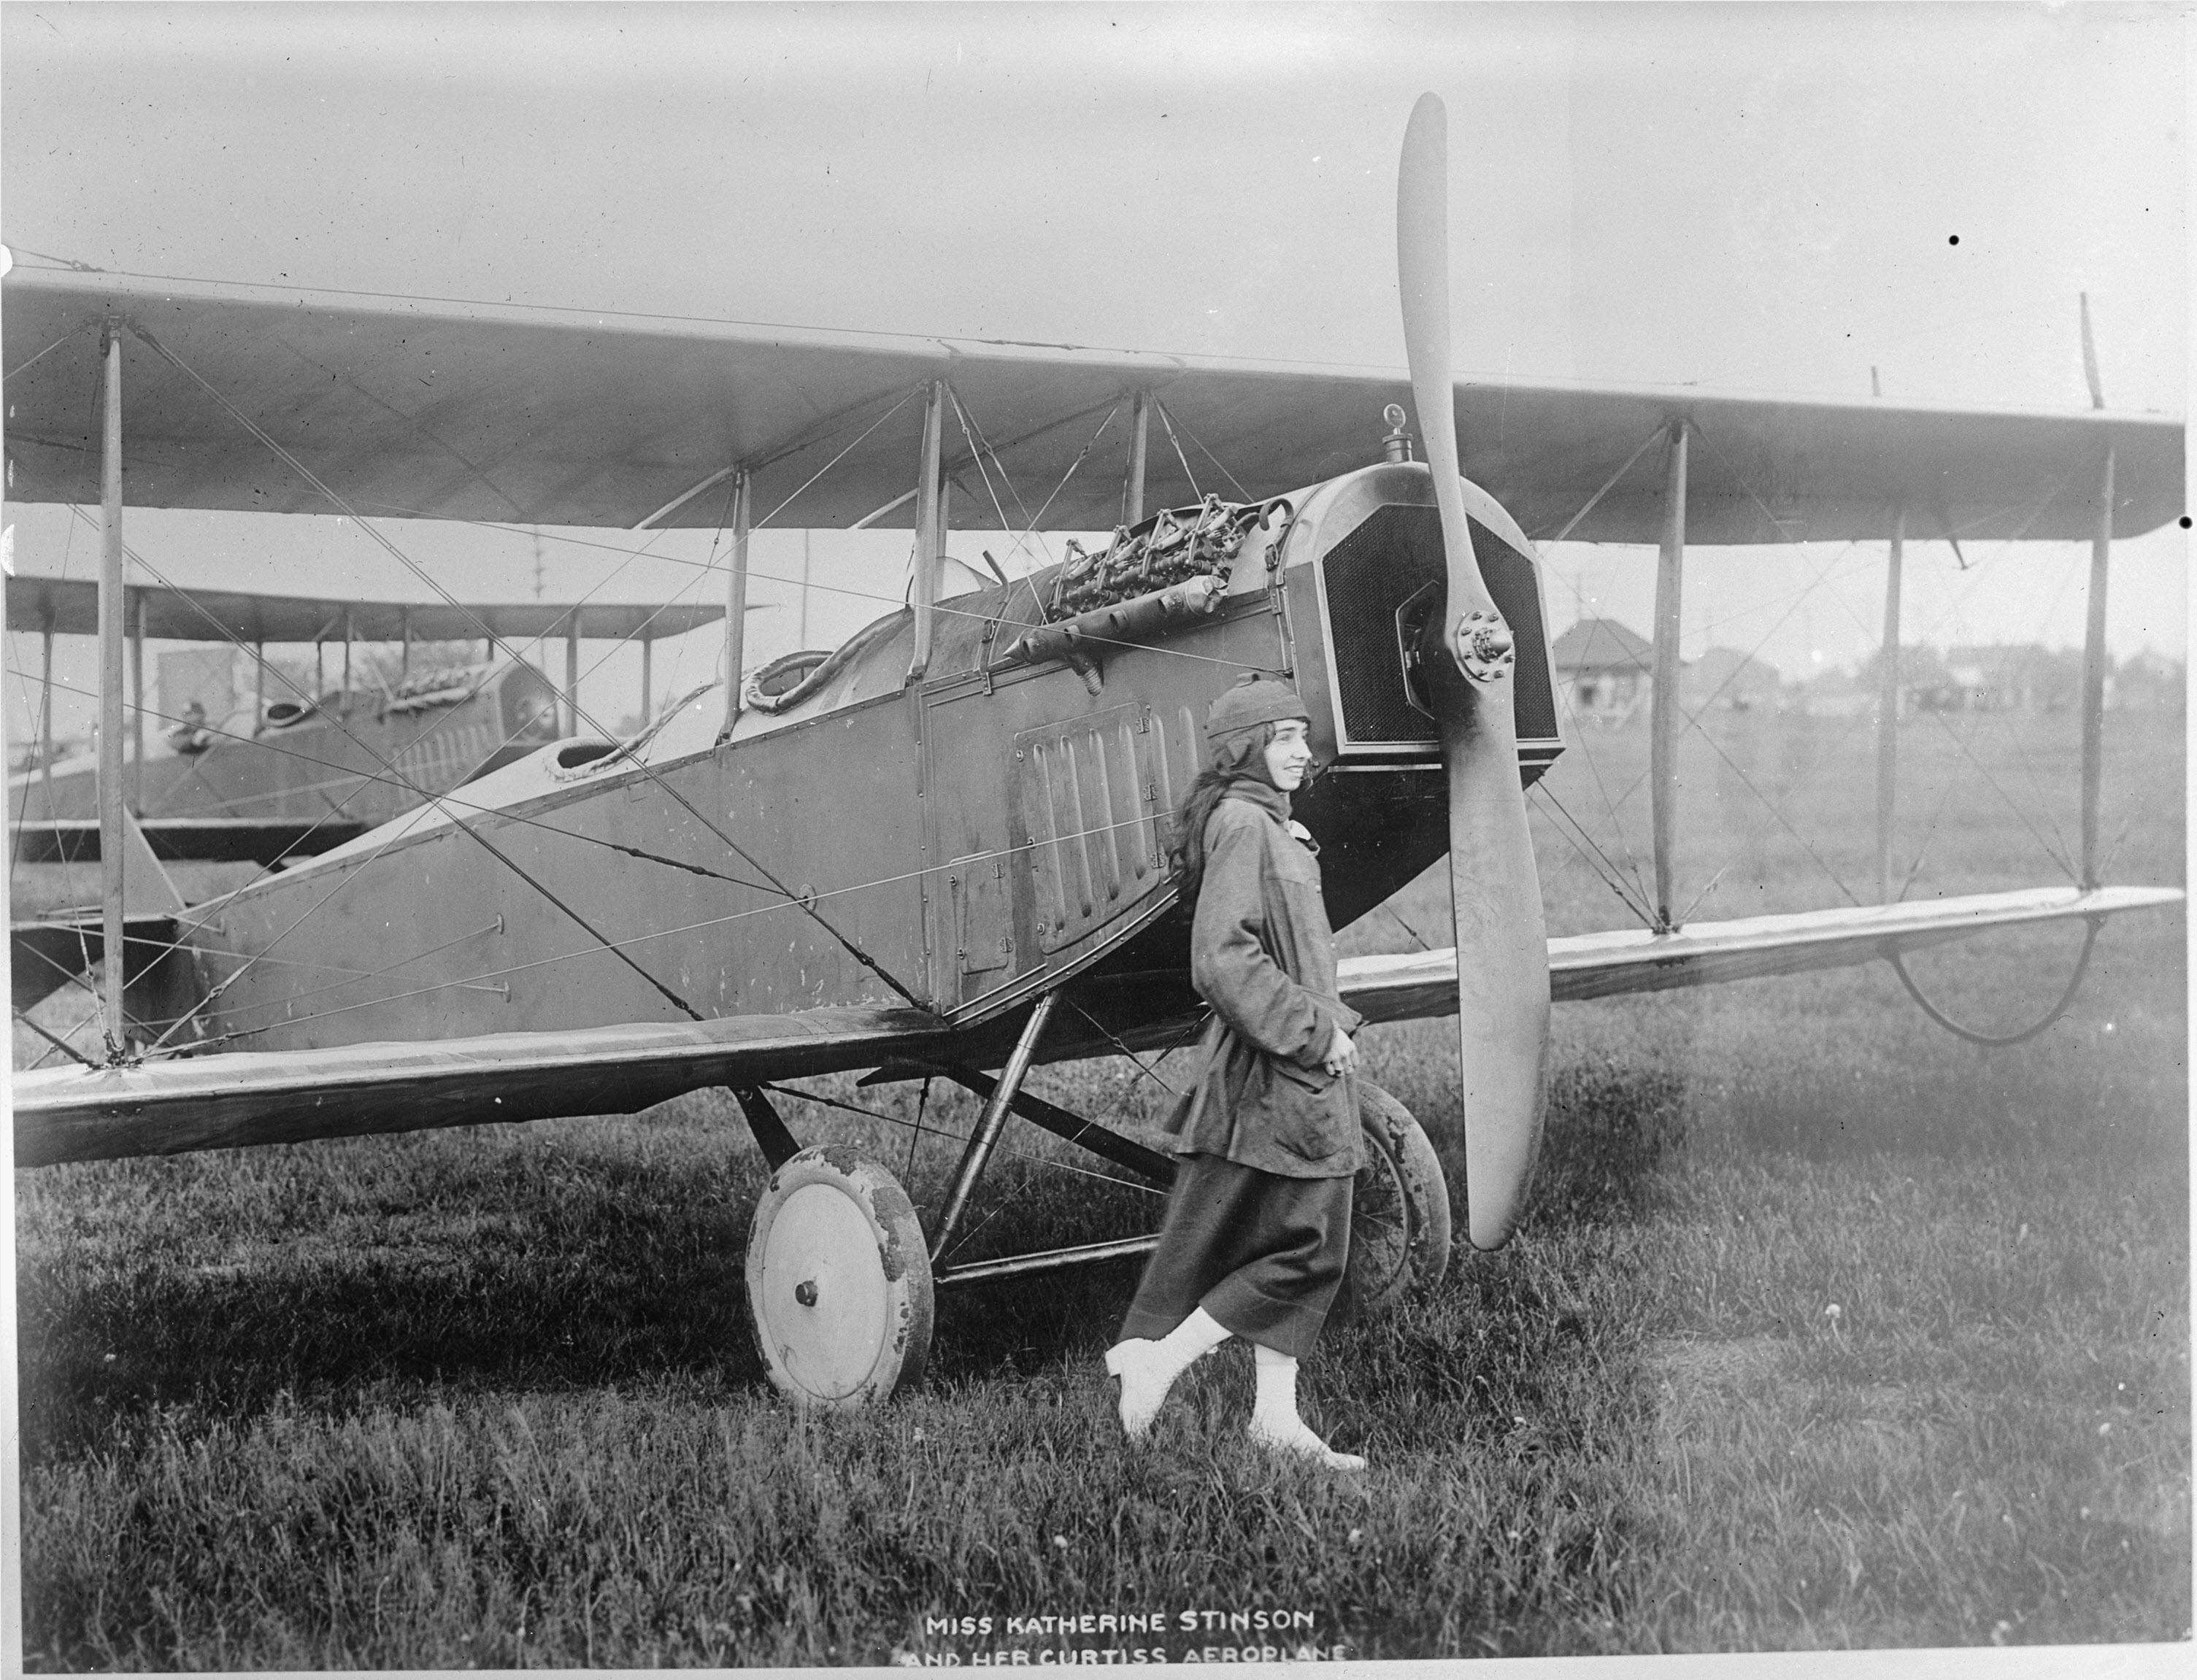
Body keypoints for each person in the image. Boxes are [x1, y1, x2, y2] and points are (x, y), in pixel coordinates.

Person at [1105, 672, 1367, 1470]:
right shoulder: (1246, 826)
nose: (1300, 751)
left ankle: (1273, 1417)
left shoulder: (1265, 824)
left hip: (1278, 1062)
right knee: (1310, 1243)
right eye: (1281, 737)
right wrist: (1315, 1032)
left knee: (1279, 1232)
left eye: (1300, 736)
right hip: (1282, 1063)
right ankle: (1163, 1358)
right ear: (1244, 749)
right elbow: (1222, 957)